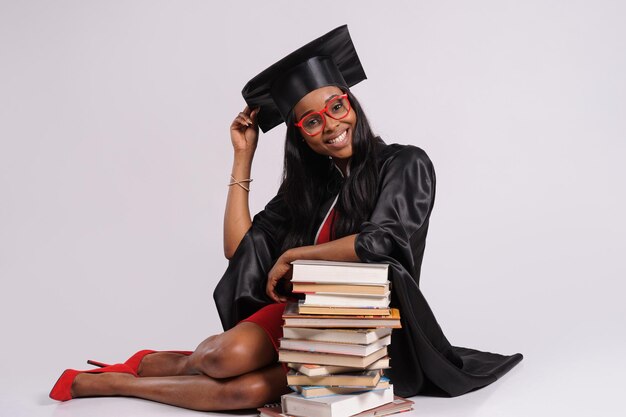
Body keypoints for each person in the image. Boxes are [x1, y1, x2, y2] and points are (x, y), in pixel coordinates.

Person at [49, 25, 522, 411]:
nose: (331, 125)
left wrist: (296, 255)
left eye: (336, 106)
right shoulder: (306, 190)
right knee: (225, 357)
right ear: (300, 134)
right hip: (302, 314)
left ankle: (119, 382)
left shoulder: (404, 164)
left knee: (244, 392)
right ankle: (150, 362)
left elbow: (378, 242)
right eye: (311, 121)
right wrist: (242, 158)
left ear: (350, 103)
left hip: (366, 325)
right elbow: (241, 251)